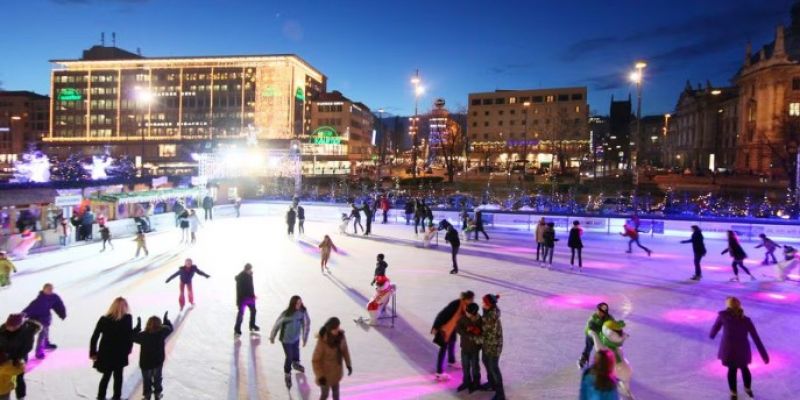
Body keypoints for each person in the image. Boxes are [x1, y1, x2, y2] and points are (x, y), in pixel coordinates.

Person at [710, 297, 769, 400]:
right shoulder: (746, 320)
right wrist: (764, 355)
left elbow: (715, 327)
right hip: (742, 350)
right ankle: (747, 389)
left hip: (729, 350)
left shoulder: (723, 316)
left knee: (732, 370)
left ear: (728, 306)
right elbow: (756, 338)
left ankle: (734, 393)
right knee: (744, 368)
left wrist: (712, 334)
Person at [90, 297, 134, 400]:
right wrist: (128, 349)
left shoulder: (104, 319)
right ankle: (116, 397)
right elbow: (129, 336)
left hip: (106, 353)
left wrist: (93, 352)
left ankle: (101, 397)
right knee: (118, 376)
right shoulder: (127, 318)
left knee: (106, 376)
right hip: (120, 353)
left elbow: (95, 337)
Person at [270, 296, 311, 388]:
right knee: (289, 356)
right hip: (286, 339)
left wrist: (305, 338)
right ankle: (287, 373)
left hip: (296, 338)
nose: (299, 305)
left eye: (300, 303)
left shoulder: (302, 312)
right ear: (293, 304)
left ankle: (296, 363)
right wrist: (272, 336)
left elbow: (306, 324)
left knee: (296, 351)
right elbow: (277, 324)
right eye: (297, 303)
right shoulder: (286, 314)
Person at [431, 291, 474, 380]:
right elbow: (442, 314)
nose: (472, 301)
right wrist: (435, 327)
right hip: (445, 329)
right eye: (471, 299)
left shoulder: (465, 306)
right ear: (466, 299)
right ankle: (439, 373)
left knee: (453, 342)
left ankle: (451, 360)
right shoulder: (456, 304)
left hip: (452, 328)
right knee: (443, 349)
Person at [133, 312, 173, 400]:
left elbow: (132, 337)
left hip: (145, 364)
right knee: (157, 378)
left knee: (146, 380)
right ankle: (157, 394)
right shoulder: (162, 333)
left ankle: (147, 395)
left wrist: (138, 327)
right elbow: (170, 328)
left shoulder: (143, 335)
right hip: (157, 362)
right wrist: (166, 321)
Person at [0, 313, 40, 400]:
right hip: (4, 356)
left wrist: (15, 358)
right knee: (5, 375)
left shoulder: (28, 332)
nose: (9, 328)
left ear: (19, 325)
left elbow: (27, 348)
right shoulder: (3, 328)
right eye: (8, 326)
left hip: (19, 357)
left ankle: (21, 397)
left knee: (19, 377)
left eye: (13, 327)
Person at [22, 283, 67, 359]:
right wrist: (22, 315)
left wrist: (62, 313)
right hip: (38, 320)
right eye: (48, 289)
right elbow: (30, 308)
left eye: (51, 289)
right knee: (42, 335)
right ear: (44, 290)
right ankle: (39, 352)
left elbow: (59, 304)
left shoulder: (53, 297)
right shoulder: (40, 300)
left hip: (46, 318)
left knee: (46, 331)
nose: (50, 291)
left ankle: (46, 344)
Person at [312, 317, 352, 400]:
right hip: (325, 376)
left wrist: (348, 364)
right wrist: (320, 376)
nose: (338, 330)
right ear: (330, 329)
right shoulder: (322, 342)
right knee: (325, 395)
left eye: (338, 327)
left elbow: (345, 350)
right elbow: (315, 361)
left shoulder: (341, 337)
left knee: (336, 395)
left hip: (336, 372)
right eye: (335, 328)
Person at [480, 294, 505, 400]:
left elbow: (483, 331)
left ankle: (500, 394)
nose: (482, 304)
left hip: (493, 345)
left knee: (494, 367)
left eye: (484, 303)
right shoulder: (490, 310)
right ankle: (492, 383)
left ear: (488, 304)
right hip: (488, 343)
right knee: (485, 360)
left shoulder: (490, 318)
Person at [456, 302, 482, 393]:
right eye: (466, 311)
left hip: (475, 348)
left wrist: (476, 331)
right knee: (465, 366)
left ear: (474, 312)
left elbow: (482, 334)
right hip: (465, 347)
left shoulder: (479, 320)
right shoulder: (463, 318)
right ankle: (466, 382)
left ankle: (476, 383)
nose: (466, 313)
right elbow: (458, 328)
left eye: (468, 312)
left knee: (475, 367)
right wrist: (466, 332)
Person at [578, 302, 613, 369]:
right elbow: (588, 328)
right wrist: (592, 332)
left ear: (604, 312)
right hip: (592, 335)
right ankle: (584, 357)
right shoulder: (593, 317)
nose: (598, 312)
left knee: (607, 348)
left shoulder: (609, 319)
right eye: (598, 310)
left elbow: (613, 328)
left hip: (603, 337)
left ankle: (608, 361)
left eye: (600, 311)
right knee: (588, 346)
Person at [234, 263, 259, 336]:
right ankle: (237, 329)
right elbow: (241, 290)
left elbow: (251, 287)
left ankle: (252, 325)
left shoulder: (250, 275)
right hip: (243, 299)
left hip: (250, 298)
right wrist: (240, 301)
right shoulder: (241, 277)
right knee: (241, 314)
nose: (251, 271)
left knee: (253, 311)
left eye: (251, 269)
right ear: (246, 269)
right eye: (249, 269)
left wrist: (253, 295)